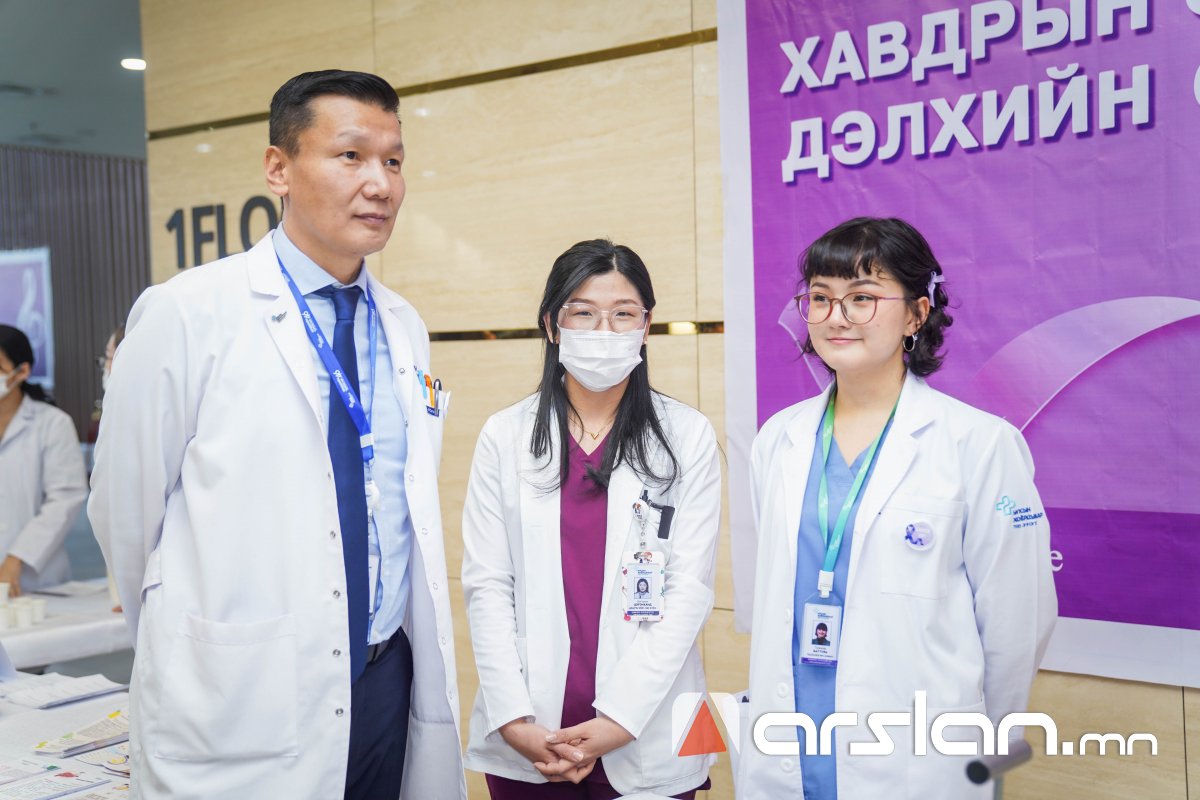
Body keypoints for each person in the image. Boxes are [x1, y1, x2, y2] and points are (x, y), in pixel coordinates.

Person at [89, 70, 465, 799]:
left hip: (385, 679)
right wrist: (187, 637)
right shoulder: (187, 312)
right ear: (278, 169)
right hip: (245, 689)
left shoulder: (403, 326)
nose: (381, 184)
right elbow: (124, 516)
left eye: (393, 160)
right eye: (351, 156)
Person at [738, 218, 1057, 799]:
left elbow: (1017, 624)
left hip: (918, 759)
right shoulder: (778, 439)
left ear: (916, 314)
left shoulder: (978, 444)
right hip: (789, 743)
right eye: (820, 298)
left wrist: (983, 741)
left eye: (862, 297)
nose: (836, 316)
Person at [461, 240, 722, 799]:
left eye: (623, 314)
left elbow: (689, 591)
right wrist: (513, 719)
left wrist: (619, 721)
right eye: (583, 312)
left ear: (646, 326)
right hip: (532, 734)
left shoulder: (687, 436)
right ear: (552, 326)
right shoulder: (505, 436)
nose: (605, 330)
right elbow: (487, 585)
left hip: (646, 729)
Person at [0, 325, 86, 595]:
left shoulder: (53, 424)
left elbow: (65, 498)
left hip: (37, 580)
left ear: (21, 371)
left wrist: (17, 558)